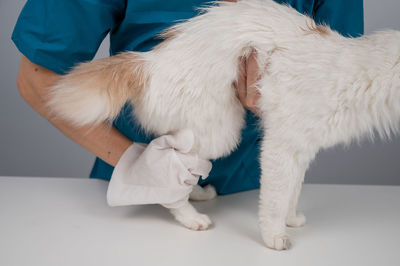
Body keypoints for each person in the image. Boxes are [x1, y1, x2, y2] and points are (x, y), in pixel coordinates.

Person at [13, 0, 363, 195]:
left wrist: (290, 101)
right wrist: (137, 165)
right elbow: (36, 78)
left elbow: (344, 84)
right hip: (135, 187)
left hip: (254, 194)